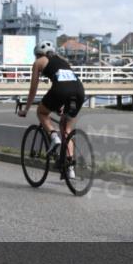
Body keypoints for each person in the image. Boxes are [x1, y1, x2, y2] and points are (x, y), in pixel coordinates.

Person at [17, 41, 85, 179]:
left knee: (41, 112)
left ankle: (54, 137)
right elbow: (68, 81)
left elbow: (33, 89)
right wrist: (60, 105)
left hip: (61, 90)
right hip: (79, 90)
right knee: (66, 130)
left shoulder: (38, 62)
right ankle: (70, 167)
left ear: (37, 54)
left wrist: (26, 109)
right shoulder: (62, 60)